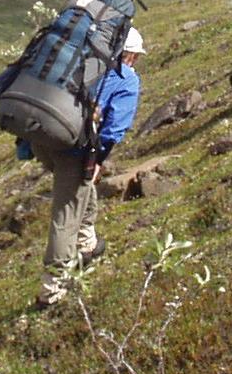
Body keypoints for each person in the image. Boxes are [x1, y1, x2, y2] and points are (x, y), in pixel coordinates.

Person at [31, 27, 146, 309]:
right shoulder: (126, 79)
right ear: (129, 54)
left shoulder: (83, 62)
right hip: (74, 148)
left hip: (42, 138)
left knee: (79, 188)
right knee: (65, 215)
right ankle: (52, 290)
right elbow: (113, 130)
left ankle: (87, 244)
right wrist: (99, 161)